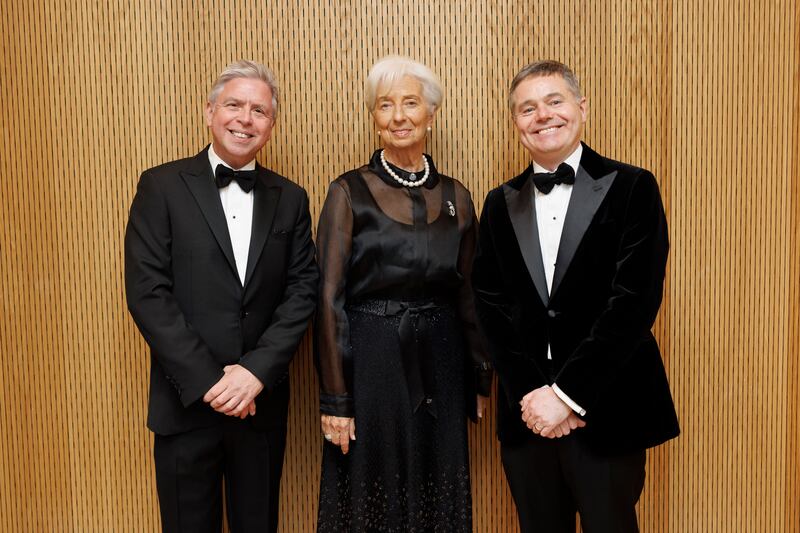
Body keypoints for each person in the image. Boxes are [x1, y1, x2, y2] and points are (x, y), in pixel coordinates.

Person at [472, 60, 680, 533]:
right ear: (516, 121)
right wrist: (534, 395)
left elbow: (634, 301)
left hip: (608, 410)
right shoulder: (498, 203)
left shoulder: (633, 187)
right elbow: (489, 305)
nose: (542, 115)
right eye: (528, 108)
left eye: (554, 101)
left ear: (581, 108)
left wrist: (566, 397)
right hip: (528, 416)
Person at [125, 60, 318, 532]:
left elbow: (302, 291)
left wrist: (254, 373)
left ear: (271, 125)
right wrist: (211, 382)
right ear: (209, 111)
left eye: (259, 111)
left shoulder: (291, 198)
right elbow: (148, 292)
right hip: (186, 404)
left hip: (259, 406)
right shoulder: (161, 186)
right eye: (234, 105)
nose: (245, 119)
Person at [314, 55, 492, 532]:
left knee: (438, 484)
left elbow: (469, 294)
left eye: (410, 103)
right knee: (375, 487)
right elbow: (328, 299)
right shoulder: (348, 192)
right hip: (372, 364)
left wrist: (479, 376)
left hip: (443, 364)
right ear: (374, 117)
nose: (398, 116)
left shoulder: (458, 196)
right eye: (385, 105)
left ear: (431, 114)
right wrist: (336, 401)